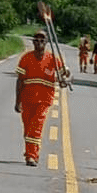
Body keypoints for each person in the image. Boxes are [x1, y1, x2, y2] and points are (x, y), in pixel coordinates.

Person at [15, 32, 64, 166]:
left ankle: (32, 156)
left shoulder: (53, 58)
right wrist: (17, 101)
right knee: (28, 129)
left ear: (46, 42)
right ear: (33, 42)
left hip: (45, 99)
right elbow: (20, 81)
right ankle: (30, 153)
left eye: (42, 39)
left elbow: (64, 74)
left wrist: (65, 79)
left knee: (37, 126)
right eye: (36, 39)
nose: (39, 42)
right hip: (27, 98)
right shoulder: (26, 58)